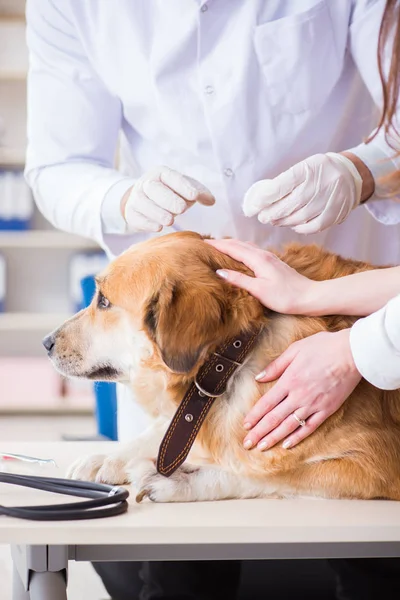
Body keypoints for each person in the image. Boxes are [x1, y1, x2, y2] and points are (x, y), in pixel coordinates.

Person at [24, 1, 400, 598]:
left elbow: (397, 114)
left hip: (343, 297)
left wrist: (362, 170)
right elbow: (56, 167)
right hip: (173, 313)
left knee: (372, 559)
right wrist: (119, 200)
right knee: (180, 570)